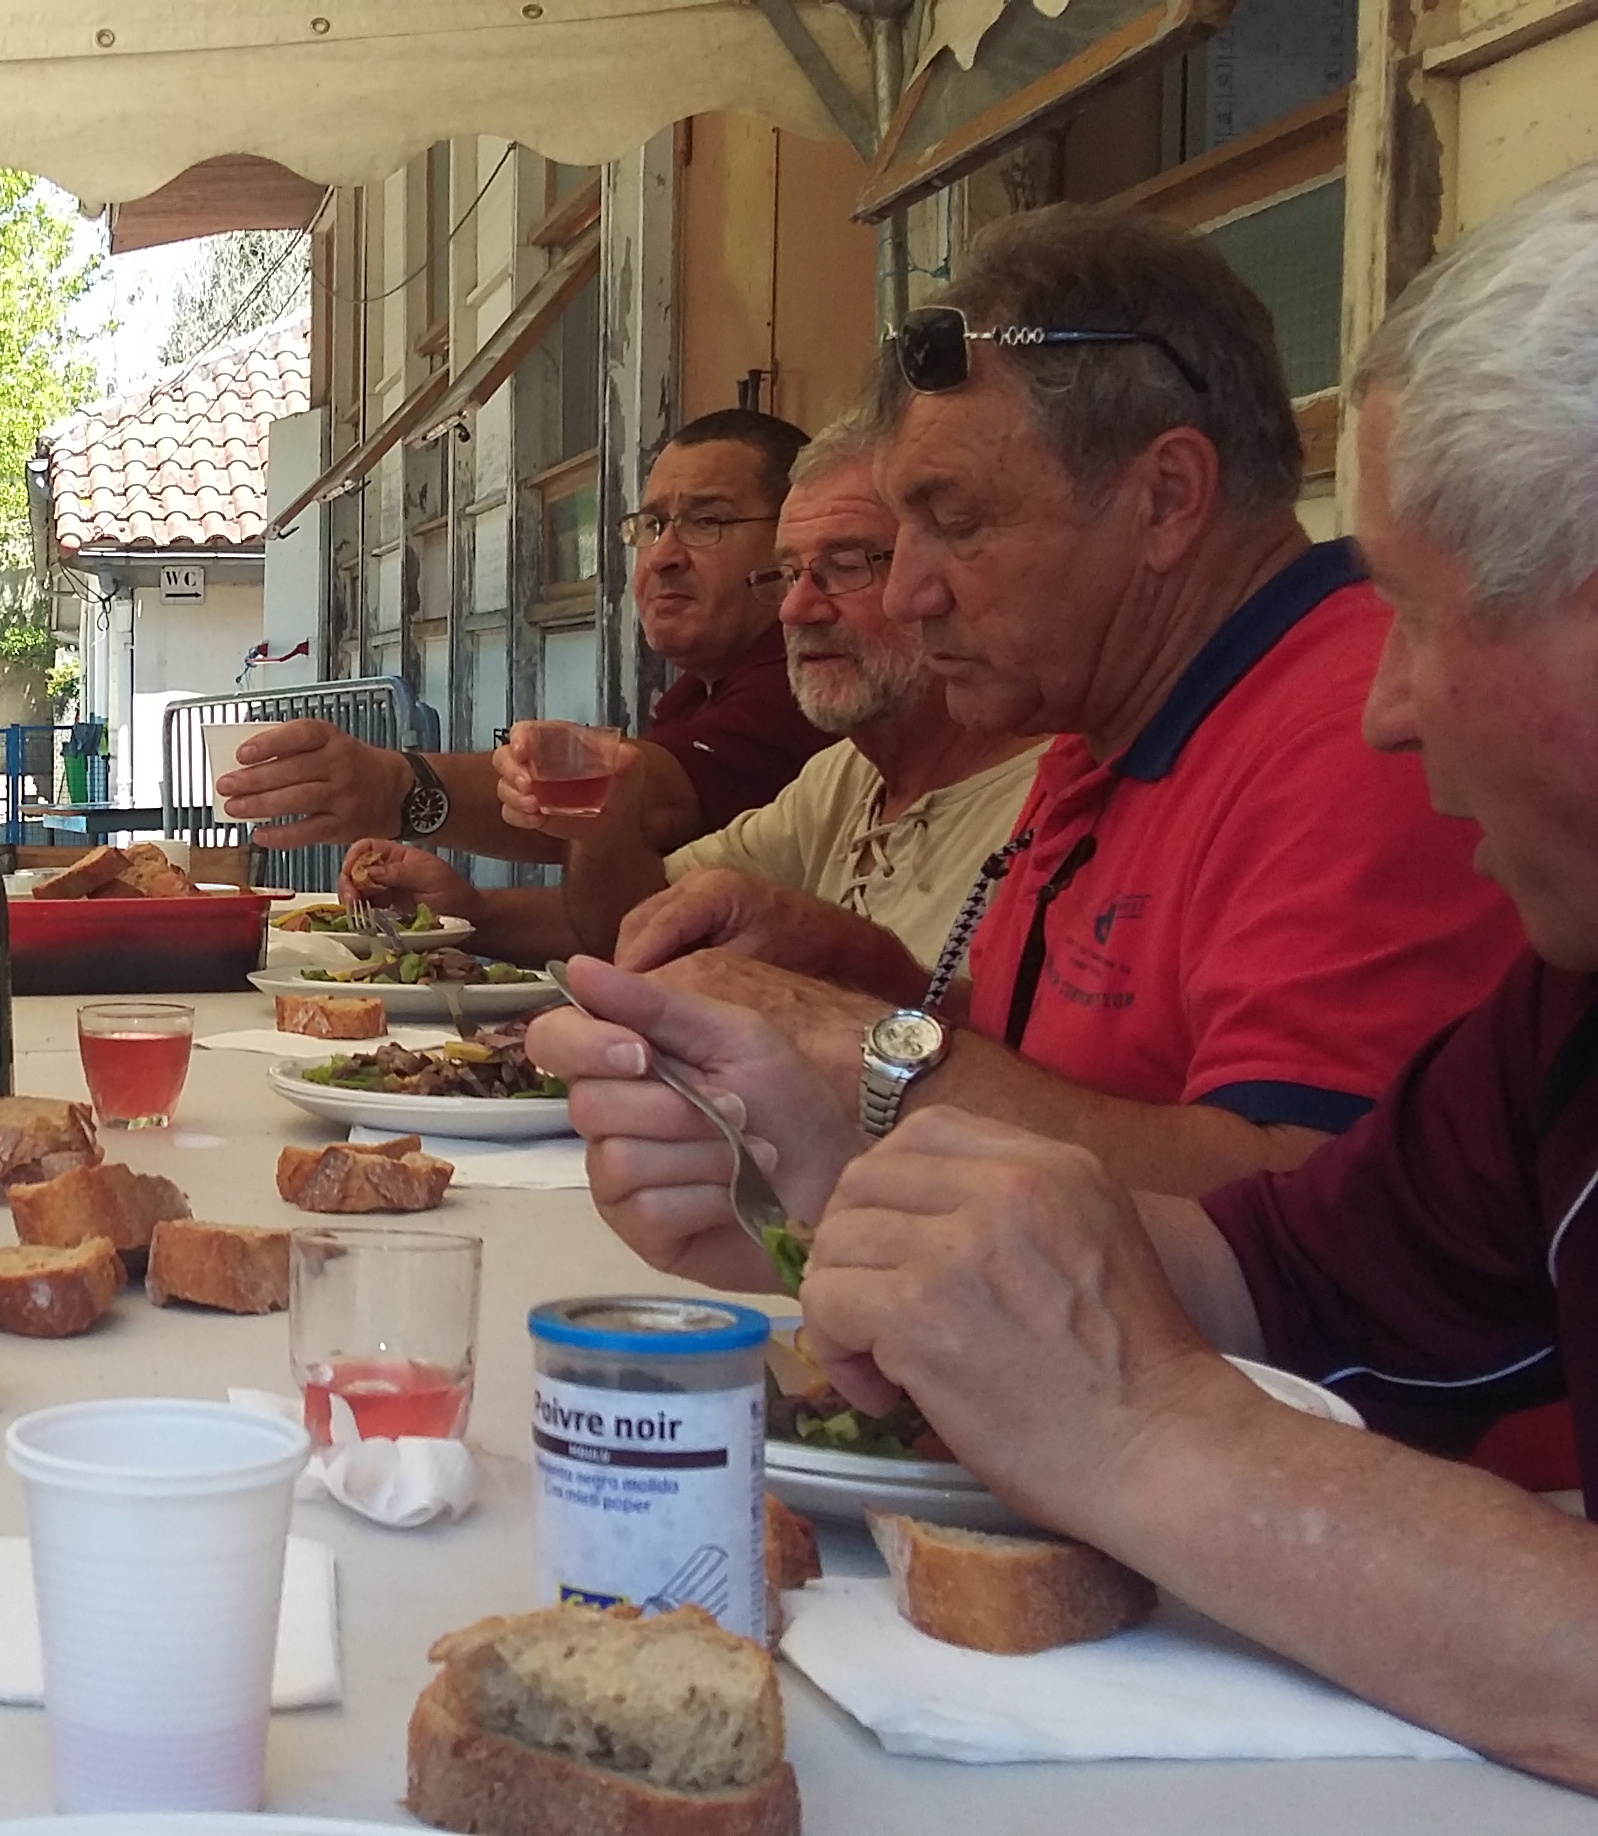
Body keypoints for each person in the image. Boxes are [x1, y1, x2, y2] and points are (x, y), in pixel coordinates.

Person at [529, 162, 1598, 1788]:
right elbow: (1296, 1268)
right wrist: (840, 1188)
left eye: (1420, 612)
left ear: (1163, 499)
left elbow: (1238, 1284)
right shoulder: (1547, 1000)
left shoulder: (1323, 749)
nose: (1391, 705)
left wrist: (1151, 1429)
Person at [606, 206, 1523, 1198]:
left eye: (954, 522)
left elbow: (1304, 1218)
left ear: (1166, 497)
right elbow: (1065, 1075)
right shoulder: (1105, 716)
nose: (912, 594)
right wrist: (850, 967)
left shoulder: (1354, 738)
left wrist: (853, 1047)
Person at [342, 418, 1041, 970]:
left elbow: (663, 803)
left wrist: (390, 785)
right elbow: (641, 921)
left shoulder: (1057, 794)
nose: (797, 608)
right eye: (788, 573)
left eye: (847, 565)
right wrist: (498, 897)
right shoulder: (846, 776)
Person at [213, 409, 832, 859]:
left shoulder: (804, 681)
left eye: (706, 522)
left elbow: (644, 798)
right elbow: (626, 914)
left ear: (792, 541)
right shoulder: (697, 694)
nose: (662, 555)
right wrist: (473, 915)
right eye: (650, 524)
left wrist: (395, 785)